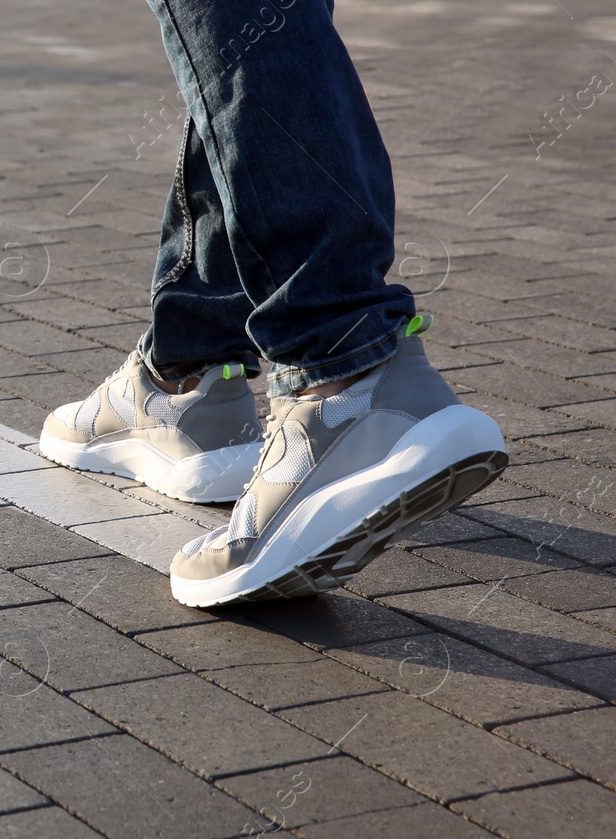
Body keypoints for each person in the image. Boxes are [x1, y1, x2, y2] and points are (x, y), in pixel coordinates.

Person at [39, 0, 508, 608]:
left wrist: (340, 340)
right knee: (242, 34)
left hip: (344, 359)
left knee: (238, 14)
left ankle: (344, 377)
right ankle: (190, 369)